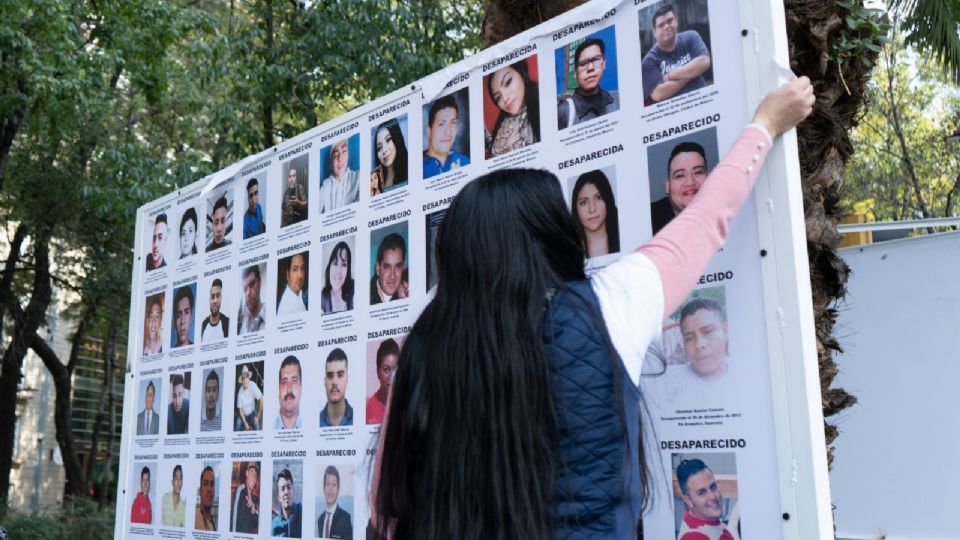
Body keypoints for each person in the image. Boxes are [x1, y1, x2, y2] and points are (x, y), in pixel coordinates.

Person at [371, 77, 815, 538]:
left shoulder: (424, 345)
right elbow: (703, 223)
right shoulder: (607, 304)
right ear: (549, 234)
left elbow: (385, 501)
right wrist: (765, 123)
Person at [641, 3, 712, 105]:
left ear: (676, 20)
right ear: (654, 32)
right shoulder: (649, 60)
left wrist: (670, 75)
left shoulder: (691, 36)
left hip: (703, 102)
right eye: (661, 25)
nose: (666, 26)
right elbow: (658, 94)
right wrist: (692, 73)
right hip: (673, 114)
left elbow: (704, 62)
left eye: (670, 21)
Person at [557, 37, 620, 129]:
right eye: (583, 64)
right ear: (575, 73)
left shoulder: (619, 100)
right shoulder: (564, 110)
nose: (590, 67)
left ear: (604, 63)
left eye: (596, 59)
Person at [485, 59, 540, 157]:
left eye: (508, 82)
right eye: (498, 97)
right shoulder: (501, 124)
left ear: (522, 74)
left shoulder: (546, 108)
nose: (505, 99)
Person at [650, 141, 708, 234]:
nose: (690, 182)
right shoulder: (649, 219)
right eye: (680, 175)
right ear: (667, 187)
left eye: (698, 172)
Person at [676, 459, 733, 540]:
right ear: (689, 501)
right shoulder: (694, 537)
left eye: (713, 487)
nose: (712, 496)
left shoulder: (707, 519)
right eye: (702, 493)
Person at [570, 169, 620, 258]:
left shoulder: (625, 241)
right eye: (583, 202)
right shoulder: (570, 254)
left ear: (608, 200)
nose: (592, 209)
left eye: (599, 197)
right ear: (576, 208)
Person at [422, 95, 470, 179]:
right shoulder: (417, 167)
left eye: (452, 123)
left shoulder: (465, 162)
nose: (448, 132)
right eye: (441, 124)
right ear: (429, 131)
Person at [319, 139, 359, 213]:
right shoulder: (325, 186)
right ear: (331, 164)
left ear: (348, 156)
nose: (340, 158)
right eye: (335, 155)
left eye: (344, 152)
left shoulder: (358, 177)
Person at [370, 120, 409, 196]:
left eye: (388, 140)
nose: (384, 150)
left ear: (397, 139)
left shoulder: (411, 167)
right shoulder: (374, 180)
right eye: (379, 148)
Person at [365, 339, 398, 425]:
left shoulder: (406, 402)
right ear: (378, 372)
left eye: (395, 370)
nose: (391, 376)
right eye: (386, 369)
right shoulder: (370, 407)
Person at [369, 233, 408, 305]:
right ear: (378, 269)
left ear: (403, 268)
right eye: (387, 267)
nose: (392, 276)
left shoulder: (408, 290)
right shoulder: (364, 296)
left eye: (398, 266)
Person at [319, 348, 353, 427]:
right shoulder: (316, 421)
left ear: (347, 379)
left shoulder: (357, 418)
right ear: (325, 381)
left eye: (340, 375)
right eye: (330, 376)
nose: (334, 382)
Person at [317, 466, 352, 539]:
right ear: (323, 489)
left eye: (334, 484)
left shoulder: (345, 518)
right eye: (327, 484)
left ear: (338, 490)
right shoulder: (320, 519)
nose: (330, 488)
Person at [321, 241, 354, 314]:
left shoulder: (354, 289)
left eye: (344, 265)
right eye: (335, 263)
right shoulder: (323, 297)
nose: (339, 271)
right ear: (329, 267)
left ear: (348, 270)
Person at [271, 468, 303, 537]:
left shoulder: (302, 512)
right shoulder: (274, 526)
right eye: (283, 489)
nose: (286, 492)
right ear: (279, 497)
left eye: (288, 487)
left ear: (293, 491)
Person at [232, 462, 260, 534]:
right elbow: (233, 518)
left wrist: (253, 510)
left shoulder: (252, 498)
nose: (254, 478)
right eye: (252, 473)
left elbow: (256, 524)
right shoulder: (240, 490)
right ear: (247, 473)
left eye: (255, 476)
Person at [275, 356, 302, 430]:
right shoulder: (269, 426)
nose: (289, 390)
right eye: (284, 382)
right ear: (279, 388)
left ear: (300, 387)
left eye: (294, 381)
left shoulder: (311, 425)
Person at [237, 265, 266, 334]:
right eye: (245, 289)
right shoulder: (239, 326)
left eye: (252, 284)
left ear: (259, 282)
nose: (248, 293)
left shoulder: (274, 312)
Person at [235, 364, 263, 431]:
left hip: (252, 413)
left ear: (248, 377)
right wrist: (245, 423)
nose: (245, 380)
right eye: (243, 378)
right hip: (243, 415)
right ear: (242, 380)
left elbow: (261, 399)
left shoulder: (253, 385)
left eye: (246, 377)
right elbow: (240, 410)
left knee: (257, 427)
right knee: (237, 425)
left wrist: (258, 417)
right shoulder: (240, 392)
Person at [195, 466, 217, 531]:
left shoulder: (213, 522)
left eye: (212, 484)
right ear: (200, 490)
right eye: (205, 484)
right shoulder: (194, 518)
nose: (209, 489)